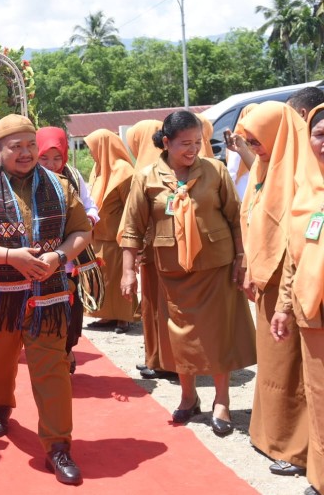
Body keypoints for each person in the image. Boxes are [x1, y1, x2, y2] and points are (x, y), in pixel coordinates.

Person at [0, 114, 92, 486]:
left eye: (31, 144)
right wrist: (10, 257)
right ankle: (1, 403)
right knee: (0, 358)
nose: (26, 152)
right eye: (17, 146)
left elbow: (82, 230)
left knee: (52, 366)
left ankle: (58, 446)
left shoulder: (61, 187)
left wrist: (58, 257)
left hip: (50, 292)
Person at [120, 110, 256, 435]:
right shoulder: (147, 178)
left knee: (218, 333)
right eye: (185, 143)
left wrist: (241, 258)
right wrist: (128, 272)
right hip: (172, 271)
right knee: (181, 337)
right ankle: (188, 397)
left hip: (216, 267)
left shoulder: (215, 172)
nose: (193, 149)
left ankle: (221, 400)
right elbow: (131, 228)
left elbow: (236, 218)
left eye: (198, 142)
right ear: (166, 143)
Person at [237, 101, 310, 476]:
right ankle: (269, 434)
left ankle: (295, 448)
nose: (252, 145)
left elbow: (297, 239)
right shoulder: (265, 169)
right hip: (266, 279)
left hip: (290, 283)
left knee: (291, 363)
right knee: (272, 359)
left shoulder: (302, 174)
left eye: (256, 139)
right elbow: (252, 221)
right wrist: (249, 264)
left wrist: (283, 291)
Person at [272, 102, 324, 495]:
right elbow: (294, 256)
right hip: (313, 310)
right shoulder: (304, 191)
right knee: (320, 395)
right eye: (320, 134)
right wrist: (283, 307)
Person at [36, 126, 100, 374]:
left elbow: (90, 206)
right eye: (44, 158)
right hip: (40, 258)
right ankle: (51, 357)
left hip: (71, 259)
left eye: (57, 158)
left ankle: (67, 349)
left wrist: (88, 219)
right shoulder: (29, 180)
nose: (52, 165)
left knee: (71, 310)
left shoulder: (73, 175)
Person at [123, 119, 172, 379]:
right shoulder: (146, 169)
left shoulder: (148, 170)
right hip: (152, 251)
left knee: (165, 308)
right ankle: (157, 357)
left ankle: (171, 361)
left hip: (164, 251)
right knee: (153, 307)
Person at [84, 129, 138, 333]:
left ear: (103, 146)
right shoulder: (98, 168)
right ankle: (106, 315)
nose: (90, 152)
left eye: (92, 147)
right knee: (103, 276)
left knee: (120, 277)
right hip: (99, 234)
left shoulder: (125, 172)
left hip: (118, 236)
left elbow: (130, 207)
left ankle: (124, 317)